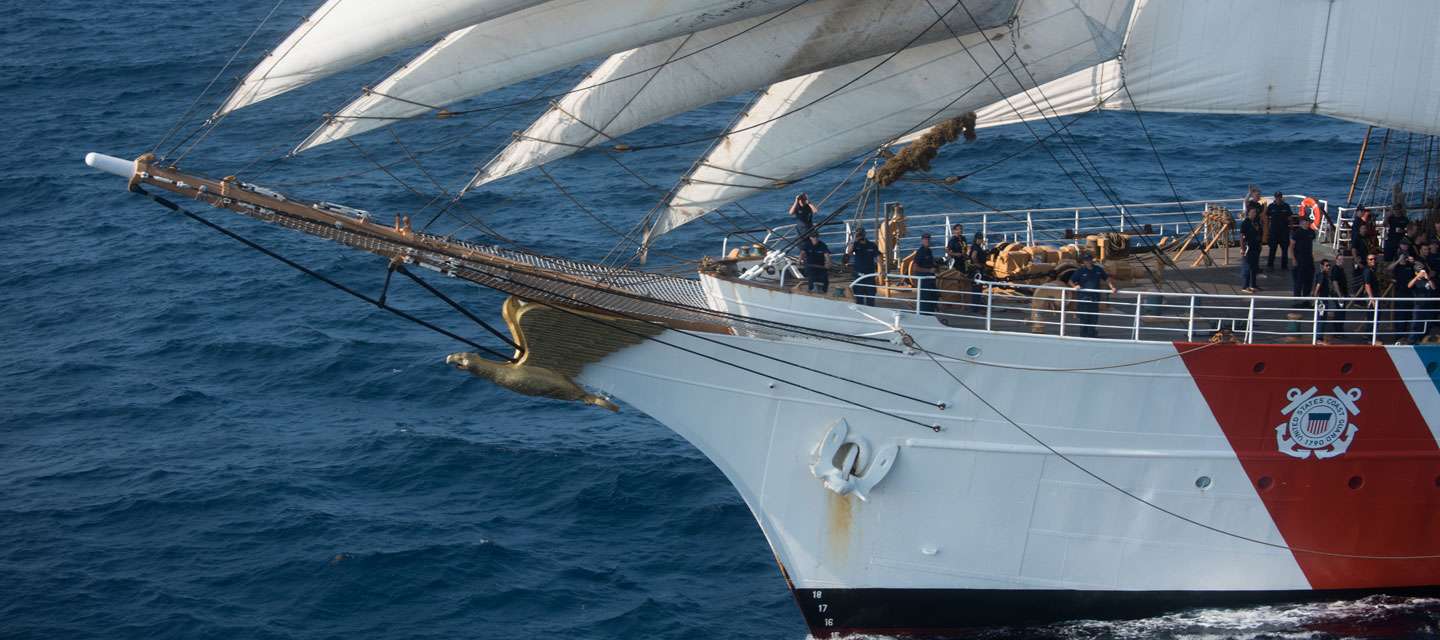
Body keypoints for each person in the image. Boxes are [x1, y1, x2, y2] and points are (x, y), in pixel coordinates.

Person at [1068, 253, 1117, 337]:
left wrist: (1112, 287)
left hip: (1095, 298)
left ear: (1092, 260)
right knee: (1084, 318)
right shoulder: (1080, 271)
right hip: (1083, 299)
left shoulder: (1098, 269)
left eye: (1089, 259)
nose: (1088, 261)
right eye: (1086, 260)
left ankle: (1092, 335)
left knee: (1093, 318)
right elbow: (1070, 281)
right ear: (1083, 261)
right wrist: (1075, 286)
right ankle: (1083, 336)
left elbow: (1106, 278)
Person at [1312, 259, 1345, 341]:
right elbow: (1318, 286)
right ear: (1322, 266)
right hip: (1322, 301)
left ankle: (1319, 337)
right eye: (1326, 265)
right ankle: (1319, 338)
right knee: (1321, 319)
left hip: (1324, 300)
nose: (1328, 267)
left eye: (1329, 265)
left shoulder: (1325, 276)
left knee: (1322, 318)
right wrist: (1316, 298)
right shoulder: (1322, 275)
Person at [846, 227, 880, 306]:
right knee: (858, 297)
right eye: (859, 234)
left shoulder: (872, 245)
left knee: (871, 296)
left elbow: (878, 258)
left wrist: (880, 271)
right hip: (858, 274)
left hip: (869, 275)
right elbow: (849, 252)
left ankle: (871, 310)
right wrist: (853, 240)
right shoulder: (855, 244)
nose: (860, 236)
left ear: (865, 234)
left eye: (861, 234)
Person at [908, 232, 939, 314]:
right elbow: (915, 268)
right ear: (922, 240)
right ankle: (924, 315)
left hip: (930, 279)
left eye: (928, 239)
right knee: (925, 300)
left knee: (934, 296)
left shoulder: (929, 251)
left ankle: (931, 314)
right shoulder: (920, 252)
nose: (927, 241)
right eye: (925, 239)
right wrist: (929, 270)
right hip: (924, 280)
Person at [1289, 214, 1316, 297]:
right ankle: (1297, 297)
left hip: (1309, 258)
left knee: (1309, 277)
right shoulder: (1297, 233)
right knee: (1299, 279)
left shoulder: (1311, 232)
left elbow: (1312, 242)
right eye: (1305, 222)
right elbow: (1291, 247)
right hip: (1299, 258)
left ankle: (1306, 295)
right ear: (1301, 223)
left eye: (1308, 222)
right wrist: (1293, 259)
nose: (1307, 224)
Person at [1265, 192, 1292, 271]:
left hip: (1284, 232)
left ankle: (1284, 266)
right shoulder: (1271, 206)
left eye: (1279, 197)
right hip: (1274, 232)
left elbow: (1290, 218)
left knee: (1284, 250)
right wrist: (1267, 231)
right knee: (1272, 249)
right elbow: (1267, 218)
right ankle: (1270, 265)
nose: (1278, 198)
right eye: (1277, 197)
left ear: (1281, 197)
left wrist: (1290, 229)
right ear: (1275, 197)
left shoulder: (1286, 206)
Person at [1240, 204, 1263, 293]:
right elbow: (1242, 236)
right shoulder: (1245, 223)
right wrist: (1242, 249)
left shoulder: (1256, 221)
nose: (1254, 214)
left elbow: (1259, 233)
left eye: (1255, 212)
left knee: (1254, 267)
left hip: (1256, 246)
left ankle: (1253, 285)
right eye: (1252, 212)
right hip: (1248, 247)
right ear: (1248, 213)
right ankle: (1245, 286)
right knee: (1247, 267)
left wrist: (1260, 243)